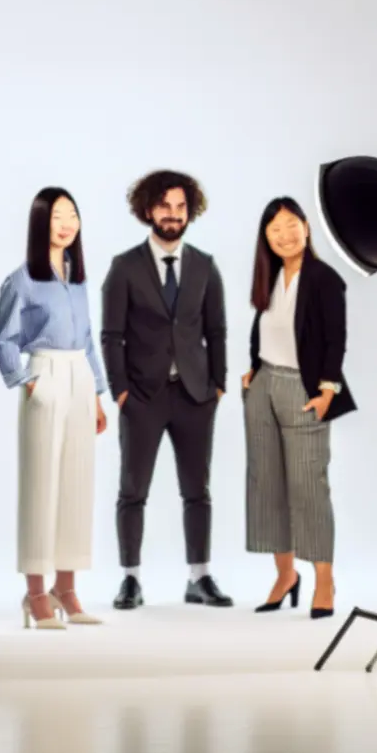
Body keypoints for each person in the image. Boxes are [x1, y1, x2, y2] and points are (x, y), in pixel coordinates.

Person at [101, 170, 231, 609]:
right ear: (148, 210)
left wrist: (218, 385)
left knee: (198, 491)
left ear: (189, 211)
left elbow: (216, 330)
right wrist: (121, 391)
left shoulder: (205, 266)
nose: (173, 215)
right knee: (132, 491)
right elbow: (111, 335)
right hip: (143, 397)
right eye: (164, 206)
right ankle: (130, 580)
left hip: (195, 396)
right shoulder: (124, 267)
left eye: (180, 207)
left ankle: (200, 577)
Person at [0, 188, 108, 629]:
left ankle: (67, 588)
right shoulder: (21, 279)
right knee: (40, 485)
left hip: (80, 376)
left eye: (72, 214)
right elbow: (4, 338)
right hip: (44, 374)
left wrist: (97, 393)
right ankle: (36, 593)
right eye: (58, 215)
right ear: (40, 221)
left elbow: (89, 338)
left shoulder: (78, 278)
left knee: (76, 485)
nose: (67, 223)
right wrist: (27, 381)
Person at [243, 197, 355, 619]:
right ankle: (285, 575)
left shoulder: (325, 279)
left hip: (304, 389)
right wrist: (254, 370)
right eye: (274, 229)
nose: (284, 235)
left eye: (291, 225)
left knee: (309, 488)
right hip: (264, 388)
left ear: (306, 227)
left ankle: (324, 580)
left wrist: (327, 389)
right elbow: (263, 328)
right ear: (266, 238)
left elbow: (335, 339)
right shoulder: (270, 275)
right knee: (267, 485)